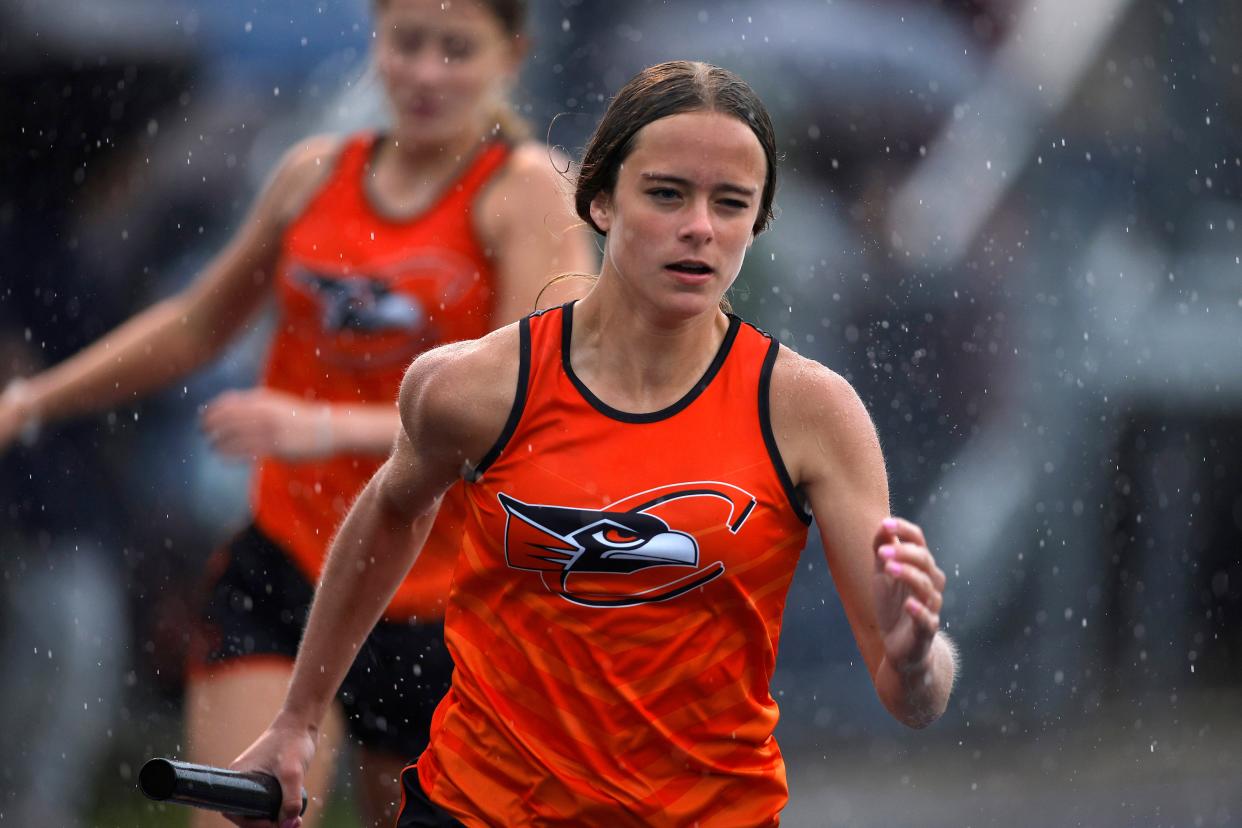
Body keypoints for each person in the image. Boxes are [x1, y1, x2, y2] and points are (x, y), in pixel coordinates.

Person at [226, 59, 958, 828]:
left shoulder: (808, 410)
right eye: (667, 193)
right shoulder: (477, 386)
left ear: (757, 221)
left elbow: (910, 697)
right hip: (477, 810)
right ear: (601, 201)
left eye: (731, 202)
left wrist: (915, 657)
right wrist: (299, 721)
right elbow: (389, 515)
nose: (699, 227)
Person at [0, 0, 594, 825]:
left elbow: (520, 398)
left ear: (512, 57)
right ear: (376, 42)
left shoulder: (527, 189)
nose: (425, 72)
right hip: (290, 562)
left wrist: (322, 428)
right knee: (244, 813)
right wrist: (31, 402)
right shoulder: (314, 172)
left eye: (456, 50)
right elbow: (196, 323)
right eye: (408, 44)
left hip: (442, 593)